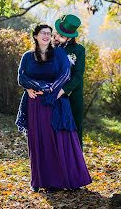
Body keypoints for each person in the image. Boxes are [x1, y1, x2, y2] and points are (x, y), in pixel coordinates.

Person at [15, 23, 92, 192]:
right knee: (35, 141)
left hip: (54, 102)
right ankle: (37, 180)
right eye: (43, 33)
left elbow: (66, 74)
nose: (46, 36)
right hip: (34, 103)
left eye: (49, 33)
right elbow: (22, 77)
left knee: (51, 141)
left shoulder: (58, 52)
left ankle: (53, 181)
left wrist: (49, 89)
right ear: (35, 35)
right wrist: (34, 87)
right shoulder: (27, 56)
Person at [54, 14, 85, 149]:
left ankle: (76, 163)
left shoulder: (79, 50)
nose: (57, 37)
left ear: (71, 37)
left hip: (73, 95)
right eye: (57, 34)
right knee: (55, 127)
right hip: (53, 94)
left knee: (74, 128)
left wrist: (64, 90)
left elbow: (78, 75)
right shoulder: (53, 47)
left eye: (61, 35)